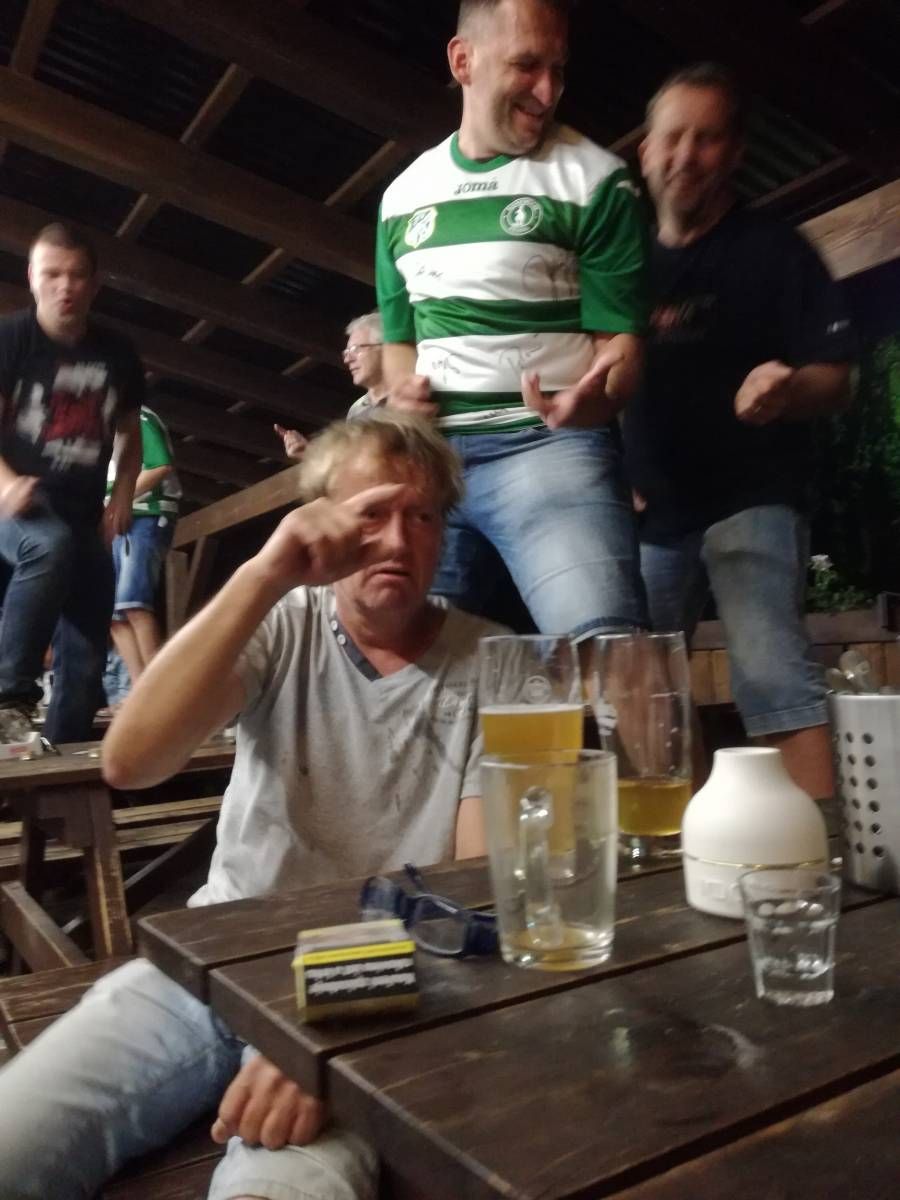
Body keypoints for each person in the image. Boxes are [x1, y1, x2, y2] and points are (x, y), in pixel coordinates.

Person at [0, 412, 502, 1200]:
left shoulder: (492, 661)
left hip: (378, 987)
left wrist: (339, 1030)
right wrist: (264, 572)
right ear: (320, 519)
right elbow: (132, 761)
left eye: (423, 516)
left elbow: (477, 887)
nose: (398, 541)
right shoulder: (282, 621)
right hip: (215, 958)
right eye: (370, 512)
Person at [374, 0, 651, 638]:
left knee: (609, 652)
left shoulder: (599, 183)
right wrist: (401, 394)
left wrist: (601, 397)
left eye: (559, 69)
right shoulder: (400, 199)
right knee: (401, 664)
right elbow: (399, 342)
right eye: (527, 65)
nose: (548, 91)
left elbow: (621, 345)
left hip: (550, 445)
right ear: (462, 61)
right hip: (431, 462)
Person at [624, 63, 856, 798]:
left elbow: (837, 378)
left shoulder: (777, 248)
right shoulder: (621, 261)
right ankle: (687, 840)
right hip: (652, 515)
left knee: (771, 674)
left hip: (753, 497)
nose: (685, 155)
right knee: (638, 687)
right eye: (672, 137)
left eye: (707, 138)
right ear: (645, 151)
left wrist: (788, 389)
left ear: (734, 153)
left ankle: (818, 850)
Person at [0, 222, 142, 745]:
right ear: (32, 278)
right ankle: (10, 698)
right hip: (17, 506)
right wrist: (6, 484)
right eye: (52, 274)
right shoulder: (11, 338)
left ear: (94, 284)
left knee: (87, 648)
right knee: (48, 543)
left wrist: (122, 494)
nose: (65, 287)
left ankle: (65, 758)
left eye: (77, 275)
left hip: (83, 512)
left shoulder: (118, 352)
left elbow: (130, 435)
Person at [107, 403, 182, 692]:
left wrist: (118, 500)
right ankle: (140, 690)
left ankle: (158, 689)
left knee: (133, 603)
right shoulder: (104, 430)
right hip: (117, 521)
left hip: (148, 513)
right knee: (114, 615)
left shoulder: (138, 416)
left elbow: (161, 465)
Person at [275, 311, 389, 462]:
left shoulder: (412, 395)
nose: (348, 360)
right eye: (346, 353)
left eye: (356, 349)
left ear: (386, 348)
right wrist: (310, 454)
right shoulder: (357, 410)